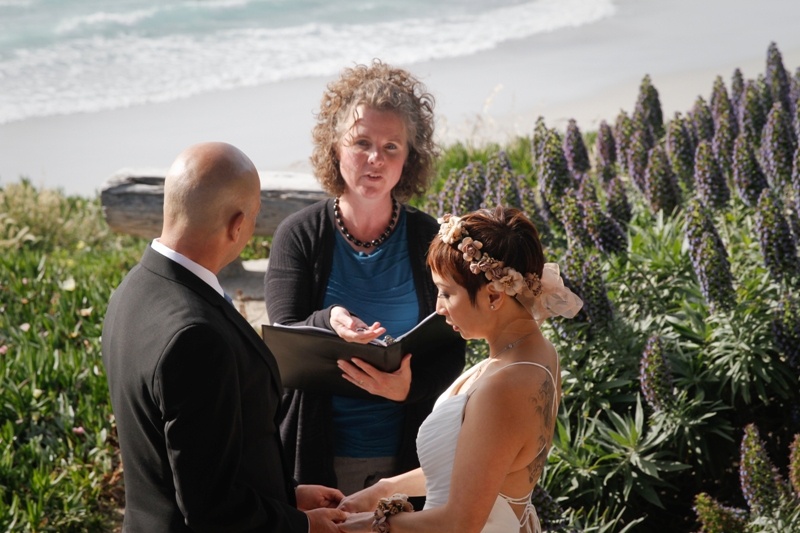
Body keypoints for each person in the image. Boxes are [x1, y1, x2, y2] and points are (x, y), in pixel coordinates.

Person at [102, 142, 346, 532]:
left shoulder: (132, 291)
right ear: (236, 224)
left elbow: (187, 462)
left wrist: (286, 494)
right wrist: (301, 525)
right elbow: (211, 506)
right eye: (254, 217)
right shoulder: (196, 338)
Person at [264, 60, 466, 495]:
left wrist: (411, 387)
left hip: (410, 459)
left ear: (410, 157)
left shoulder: (428, 237)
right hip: (313, 458)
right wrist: (327, 321)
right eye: (361, 142)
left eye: (392, 146)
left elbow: (453, 346)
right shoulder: (298, 235)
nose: (375, 159)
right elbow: (283, 349)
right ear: (335, 147)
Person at [336, 206, 583, 533]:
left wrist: (361, 525)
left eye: (447, 292)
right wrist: (382, 489)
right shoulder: (535, 353)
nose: (439, 307)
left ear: (494, 294)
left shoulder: (505, 385)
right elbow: (480, 468)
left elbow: (460, 522)